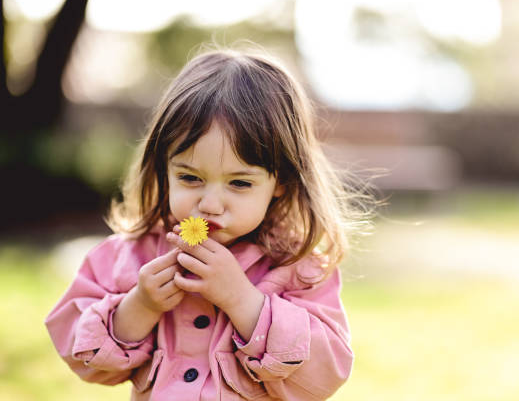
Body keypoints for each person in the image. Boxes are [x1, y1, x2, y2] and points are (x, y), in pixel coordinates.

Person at [45, 48, 374, 400]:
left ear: (282, 182)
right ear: (163, 167)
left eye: (240, 183)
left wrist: (242, 300)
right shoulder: (130, 255)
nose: (210, 204)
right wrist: (140, 306)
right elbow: (79, 353)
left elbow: (325, 376)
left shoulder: (298, 267)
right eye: (190, 178)